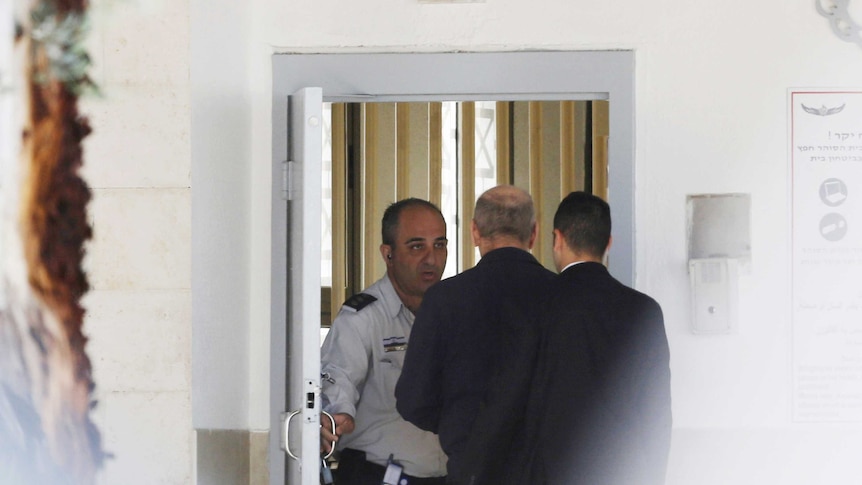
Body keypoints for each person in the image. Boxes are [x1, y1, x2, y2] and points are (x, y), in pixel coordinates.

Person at [503, 191, 672, 485]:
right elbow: (656, 412)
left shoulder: (534, 305)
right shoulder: (644, 311)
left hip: (548, 473)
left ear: (557, 238)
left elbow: (511, 401)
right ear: (608, 243)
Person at [395, 185, 556, 484]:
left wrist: (460, 424)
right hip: (546, 469)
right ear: (533, 233)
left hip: (471, 468)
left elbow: (412, 400)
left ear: (474, 232)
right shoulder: (564, 297)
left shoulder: (446, 299)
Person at [320, 198, 449, 485]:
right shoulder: (363, 318)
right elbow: (336, 377)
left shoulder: (456, 314)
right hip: (378, 476)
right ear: (387, 254)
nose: (431, 258)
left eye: (439, 245)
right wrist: (337, 414)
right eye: (417, 246)